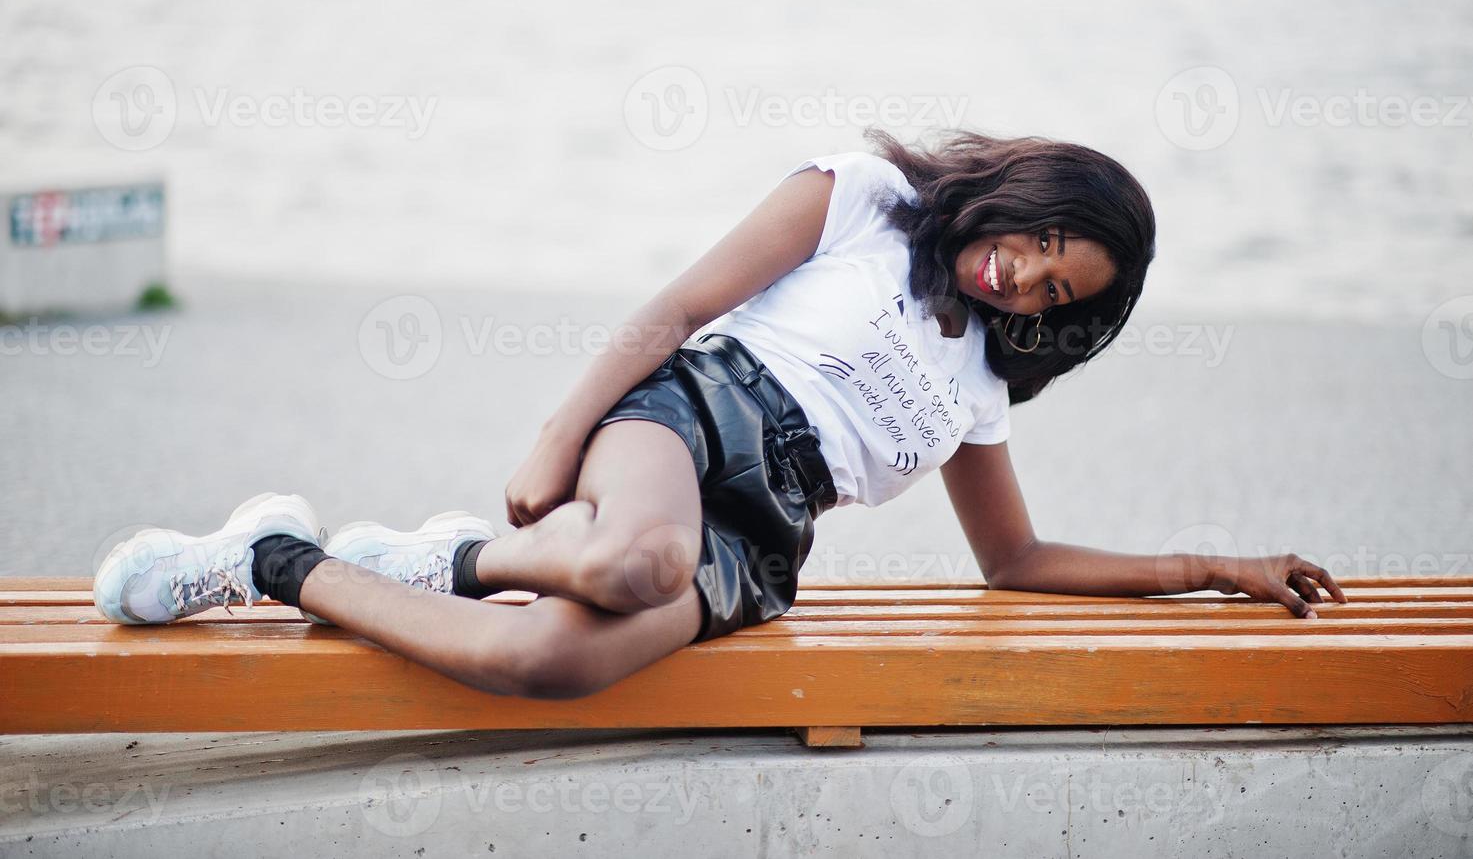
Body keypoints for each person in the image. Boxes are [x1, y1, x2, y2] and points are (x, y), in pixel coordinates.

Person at [92, 129, 1347, 700]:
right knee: (636, 557)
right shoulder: (861, 199)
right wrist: (556, 430)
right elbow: (686, 298)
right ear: (1029, 189)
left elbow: (1015, 560)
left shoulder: (979, 389)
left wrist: (1212, 567)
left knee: (553, 663)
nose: (1022, 273)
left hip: (764, 538)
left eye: (1056, 290)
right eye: (1044, 238)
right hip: (687, 417)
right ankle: (457, 554)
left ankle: (280, 557)